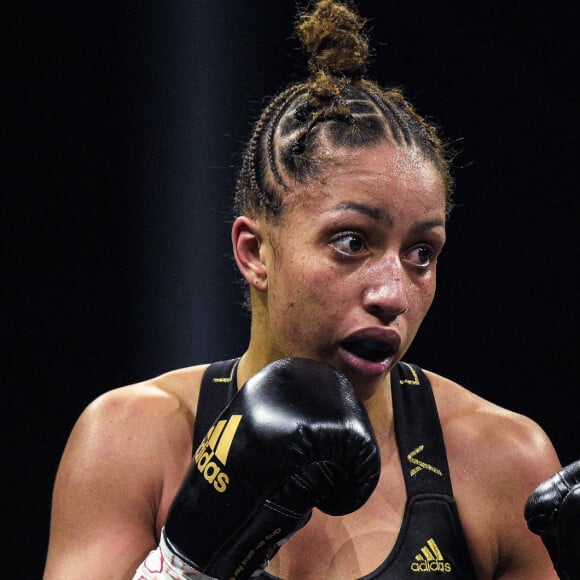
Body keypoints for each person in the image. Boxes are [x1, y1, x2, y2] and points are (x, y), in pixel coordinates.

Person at [43, 1, 563, 578]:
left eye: (422, 253)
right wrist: (183, 565)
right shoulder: (130, 441)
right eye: (351, 241)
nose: (392, 293)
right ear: (254, 252)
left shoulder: (501, 460)